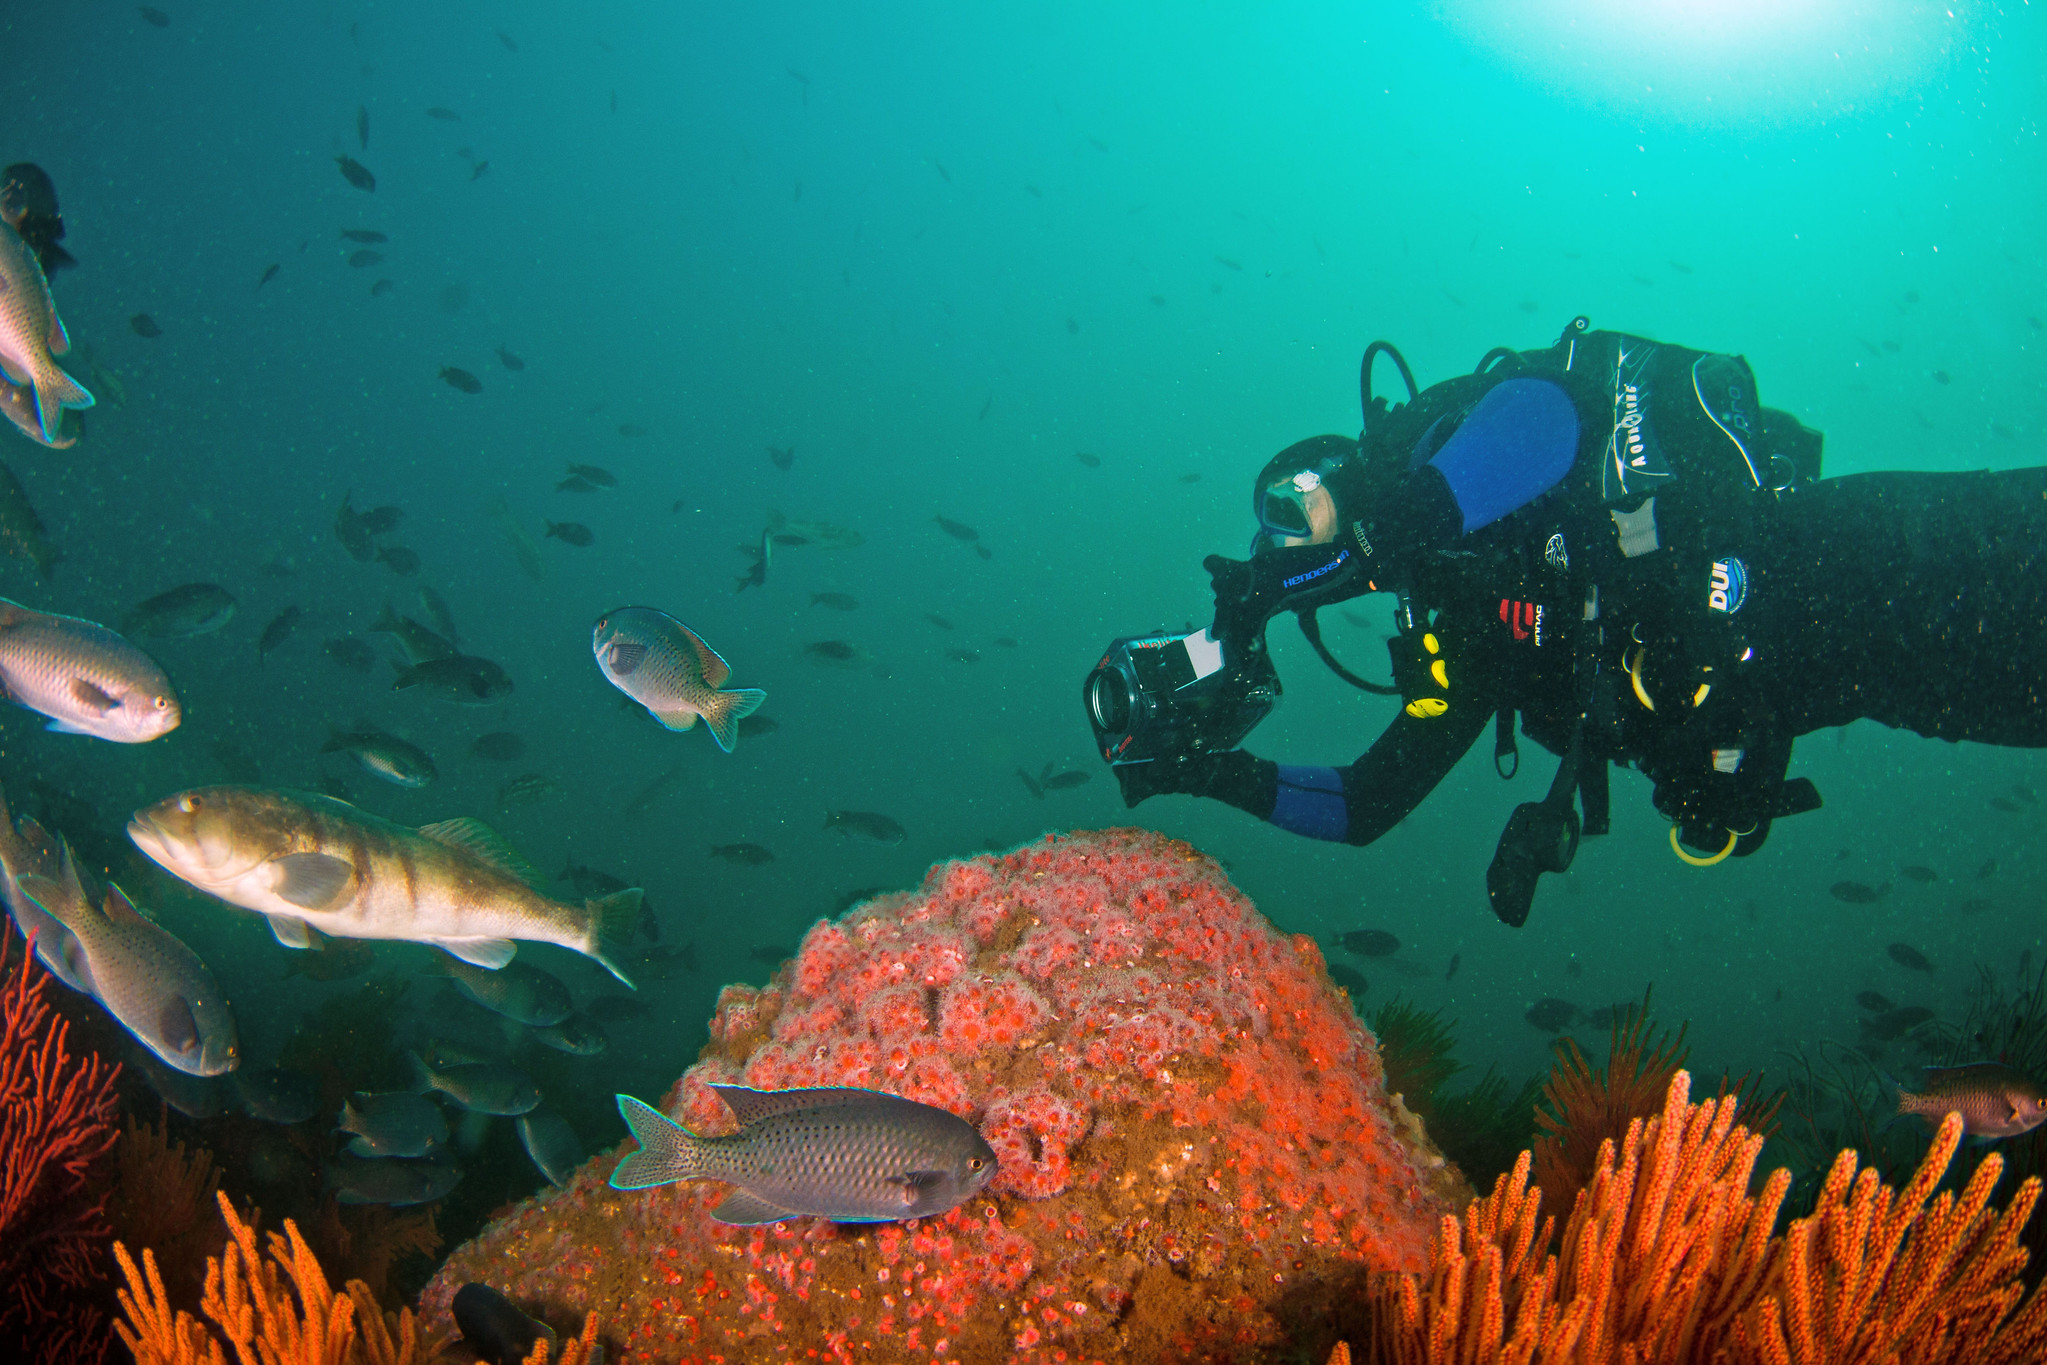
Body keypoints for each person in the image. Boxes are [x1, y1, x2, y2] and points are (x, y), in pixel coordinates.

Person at [1107, 318, 2047, 923]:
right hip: (1856, 682)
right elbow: (1363, 805)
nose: (1283, 540)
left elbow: (1542, 425)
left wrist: (1297, 575)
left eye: (1291, 506)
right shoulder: (1460, 620)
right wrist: (1213, 773)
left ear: (1351, 472)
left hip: (1863, 549)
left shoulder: (1466, 432)